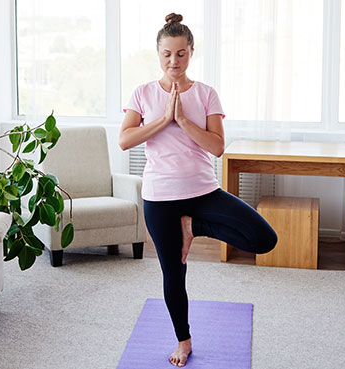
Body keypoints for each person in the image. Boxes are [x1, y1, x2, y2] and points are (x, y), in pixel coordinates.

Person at [119, 12, 278, 367]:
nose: (173, 61)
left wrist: (182, 120)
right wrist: (162, 119)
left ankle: (196, 226)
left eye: (180, 53)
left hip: (202, 191)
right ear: (157, 54)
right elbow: (125, 140)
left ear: (191, 52)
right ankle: (184, 341)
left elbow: (217, 146)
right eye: (166, 54)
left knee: (263, 238)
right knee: (174, 272)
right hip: (160, 197)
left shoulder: (206, 94)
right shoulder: (142, 93)